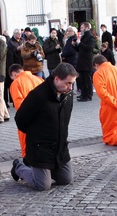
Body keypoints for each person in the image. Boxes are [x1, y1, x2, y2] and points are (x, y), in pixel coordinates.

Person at [12, 62, 77, 190]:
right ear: (57, 79)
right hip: (40, 149)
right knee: (42, 185)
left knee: (66, 179)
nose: (70, 87)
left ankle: (47, 170)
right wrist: (36, 136)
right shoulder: (38, 95)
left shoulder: (67, 95)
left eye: (72, 83)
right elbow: (20, 120)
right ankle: (19, 167)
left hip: (59, 148)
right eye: (68, 83)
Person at [8, 64, 43, 157]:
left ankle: (28, 161)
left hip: (28, 119)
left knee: (26, 146)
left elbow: (19, 104)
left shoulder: (16, 83)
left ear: (13, 74)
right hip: (42, 117)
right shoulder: (39, 79)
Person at [74, 21, 95, 101]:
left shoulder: (90, 37)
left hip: (87, 61)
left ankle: (88, 95)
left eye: (82, 27)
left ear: (86, 28)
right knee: (82, 79)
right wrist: (75, 45)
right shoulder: (83, 37)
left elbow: (90, 48)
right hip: (81, 60)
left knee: (87, 79)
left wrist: (80, 43)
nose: (81, 29)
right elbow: (79, 49)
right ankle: (83, 94)